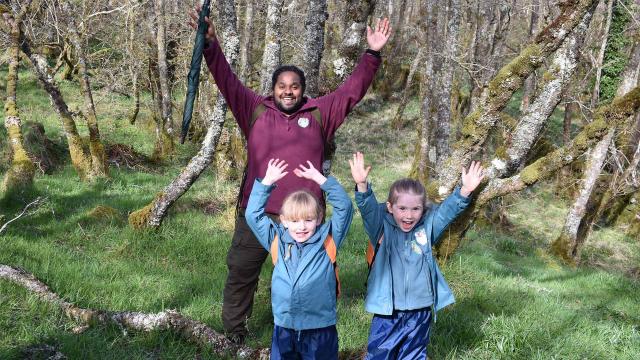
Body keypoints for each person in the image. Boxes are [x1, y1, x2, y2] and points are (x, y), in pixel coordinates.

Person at [188, 7, 391, 343]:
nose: (288, 91)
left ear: (302, 90)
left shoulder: (321, 113)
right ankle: (234, 334)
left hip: (304, 220)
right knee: (241, 272)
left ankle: (306, 333)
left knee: (309, 281)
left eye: (294, 86)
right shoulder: (253, 109)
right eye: (282, 86)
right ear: (273, 89)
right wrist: (210, 44)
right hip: (257, 214)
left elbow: (352, 90)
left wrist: (372, 54)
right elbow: (225, 78)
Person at [349, 152, 484, 359]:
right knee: (380, 354)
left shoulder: (427, 227)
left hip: (419, 310)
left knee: (413, 355)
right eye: (402, 208)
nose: (408, 215)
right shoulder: (381, 227)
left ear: (423, 210)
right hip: (387, 311)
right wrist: (362, 186)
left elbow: (447, 212)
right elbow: (367, 210)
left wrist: (464, 190)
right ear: (390, 207)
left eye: (415, 209)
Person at [244, 159, 353, 359]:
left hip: (320, 328)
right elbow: (253, 215)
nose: (301, 227)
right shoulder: (277, 240)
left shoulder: (328, 238)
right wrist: (267, 181)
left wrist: (320, 179)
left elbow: (345, 208)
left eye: (308, 220)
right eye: (294, 221)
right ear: (284, 221)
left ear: (319, 219)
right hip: (284, 326)